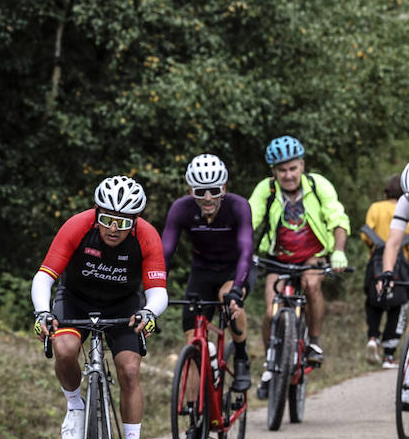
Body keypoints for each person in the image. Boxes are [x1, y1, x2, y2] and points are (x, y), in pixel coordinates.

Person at [32, 175, 168, 439]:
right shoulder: (78, 225)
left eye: (123, 222)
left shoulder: (146, 235)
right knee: (64, 349)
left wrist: (149, 312)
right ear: (96, 213)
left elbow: (158, 290)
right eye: (106, 219)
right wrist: (42, 313)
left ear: (135, 221)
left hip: (123, 305)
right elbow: (44, 276)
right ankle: (75, 405)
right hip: (76, 300)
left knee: (130, 370)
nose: (113, 228)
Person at [248, 135, 349, 399]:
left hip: (311, 256)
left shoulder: (318, 185)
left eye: (293, 168)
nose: (288, 175)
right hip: (277, 258)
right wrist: (242, 251)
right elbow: (249, 221)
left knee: (312, 284)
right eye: (282, 170)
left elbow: (337, 217)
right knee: (271, 312)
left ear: (302, 166)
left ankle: (314, 342)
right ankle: (271, 365)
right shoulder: (266, 189)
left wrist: (338, 251)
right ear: (274, 172)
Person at [161, 154, 254, 409]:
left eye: (215, 190)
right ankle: (193, 418)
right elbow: (165, 252)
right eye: (201, 191)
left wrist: (237, 289)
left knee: (228, 298)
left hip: (235, 268)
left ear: (223, 188)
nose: (209, 197)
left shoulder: (238, 206)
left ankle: (242, 357)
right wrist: (154, 290)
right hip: (202, 271)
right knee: (192, 344)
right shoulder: (181, 208)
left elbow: (247, 250)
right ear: (192, 190)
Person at [360, 173, 407, 369]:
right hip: (402, 266)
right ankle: (389, 354)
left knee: (374, 303)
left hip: (377, 265)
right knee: (399, 307)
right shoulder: (403, 206)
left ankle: (373, 337)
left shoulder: (375, 208)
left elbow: (366, 235)